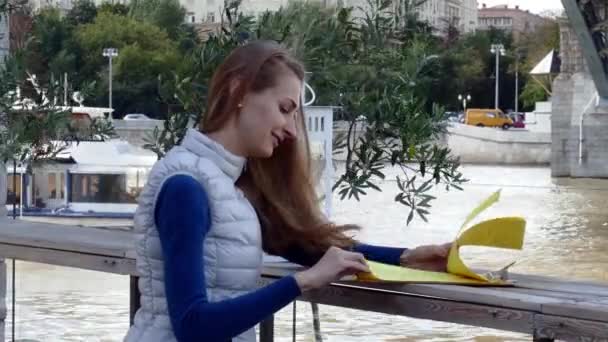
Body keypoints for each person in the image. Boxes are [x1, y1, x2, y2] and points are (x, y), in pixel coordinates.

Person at [124, 40, 451, 342]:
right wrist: (302, 282)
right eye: (285, 109)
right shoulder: (186, 186)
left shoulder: (231, 187)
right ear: (239, 89)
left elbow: (307, 248)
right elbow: (193, 326)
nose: (293, 130)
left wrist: (406, 258)